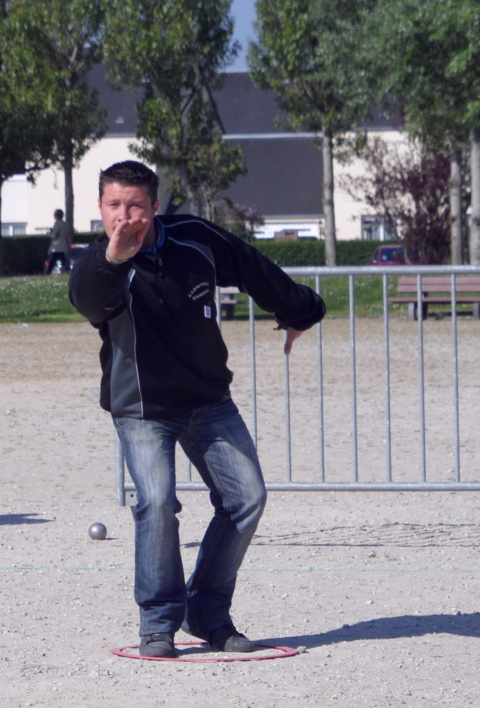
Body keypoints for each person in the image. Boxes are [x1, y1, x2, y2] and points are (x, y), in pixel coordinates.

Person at [69, 160, 326, 657]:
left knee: (246, 498)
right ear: (100, 208)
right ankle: (158, 624)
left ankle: (206, 613)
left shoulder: (193, 237)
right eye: (114, 206)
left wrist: (301, 309)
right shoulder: (96, 264)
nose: (125, 216)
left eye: (135, 206)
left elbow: (252, 266)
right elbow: (88, 302)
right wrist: (115, 259)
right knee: (157, 503)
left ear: (154, 206)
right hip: (141, 407)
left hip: (209, 400)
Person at [45, 209, 72, 274]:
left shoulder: (57, 223)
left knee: (52, 261)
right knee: (64, 261)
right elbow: (68, 236)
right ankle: (67, 272)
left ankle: (47, 273)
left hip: (56, 247)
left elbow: (54, 235)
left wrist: (51, 234)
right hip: (63, 246)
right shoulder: (65, 224)